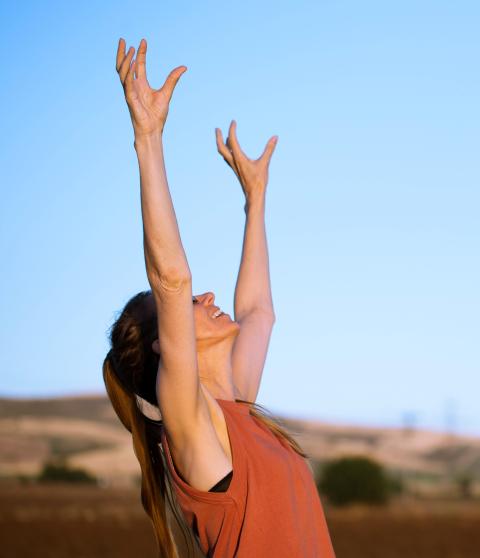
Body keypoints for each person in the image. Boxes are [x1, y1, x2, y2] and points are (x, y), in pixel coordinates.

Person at [102, 38, 336, 558]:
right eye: (190, 306)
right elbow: (171, 279)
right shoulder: (192, 425)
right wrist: (148, 138)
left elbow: (258, 312)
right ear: (166, 342)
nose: (205, 294)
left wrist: (255, 201)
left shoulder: (239, 406)